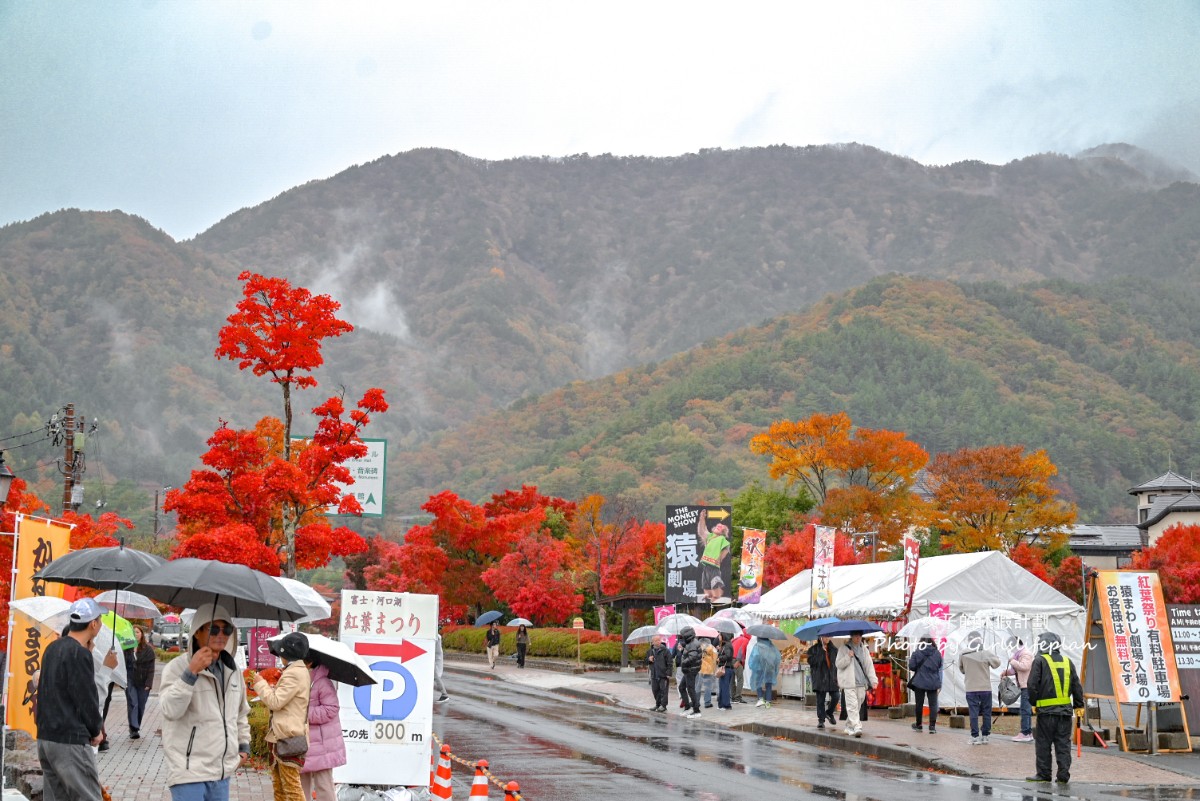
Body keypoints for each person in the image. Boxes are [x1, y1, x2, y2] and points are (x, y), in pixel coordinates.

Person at [159, 604, 251, 801]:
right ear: (197, 632)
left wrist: (244, 746)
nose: (221, 635)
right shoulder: (177, 668)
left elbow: (241, 713)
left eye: (226, 629)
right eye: (213, 629)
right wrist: (191, 672)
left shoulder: (233, 671)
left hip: (221, 773)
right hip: (189, 772)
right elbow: (169, 710)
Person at [36, 597, 106, 801]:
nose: (100, 625)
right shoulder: (79, 653)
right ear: (93, 624)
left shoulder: (52, 648)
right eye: (100, 620)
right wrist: (96, 729)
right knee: (88, 796)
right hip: (70, 740)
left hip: (46, 737)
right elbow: (86, 697)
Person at [251, 633, 311, 801]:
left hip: (288, 737)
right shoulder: (297, 671)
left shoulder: (294, 674)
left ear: (286, 654)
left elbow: (275, 702)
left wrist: (260, 683)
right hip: (283, 736)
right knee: (280, 786)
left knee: (291, 789)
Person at [1026, 632, 1084, 784]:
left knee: (1043, 744)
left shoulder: (1039, 661)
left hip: (1046, 713)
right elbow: (1076, 686)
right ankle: (1063, 775)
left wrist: (1033, 703)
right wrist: (1079, 705)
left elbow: (1032, 685)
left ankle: (1044, 774)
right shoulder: (1067, 661)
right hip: (1065, 713)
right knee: (1063, 744)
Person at [299, 650, 345, 801]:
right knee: (300, 787)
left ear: (309, 663)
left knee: (324, 787)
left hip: (322, 746)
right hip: (302, 742)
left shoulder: (322, 682)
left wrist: (303, 713)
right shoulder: (299, 679)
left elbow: (331, 709)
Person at [957, 630, 1001, 745]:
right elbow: (997, 664)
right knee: (986, 712)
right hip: (985, 688)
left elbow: (962, 669)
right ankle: (985, 736)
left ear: (968, 640)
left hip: (971, 688)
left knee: (973, 713)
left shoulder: (963, 654)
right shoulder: (985, 653)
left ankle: (975, 736)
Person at [836, 632, 877, 737]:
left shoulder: (864, 650)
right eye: (856, 636)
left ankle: (849, 726)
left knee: (857, 706)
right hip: (849, 682)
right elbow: (838, 664)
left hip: (861, 683)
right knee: (852, 706)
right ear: (852, 636)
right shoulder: (844, 648)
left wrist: (873, 680)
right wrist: (848, 657)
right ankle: (857, 726)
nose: (858, 638)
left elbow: (869, 666)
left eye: (860, 636)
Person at [907, 637, 943, 733]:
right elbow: (939, 665)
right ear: (932, 642)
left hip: (919, 681)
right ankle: (932, 726)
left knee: (919, 704)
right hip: (933, 681)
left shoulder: (917, 652)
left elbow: (911, 666)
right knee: (933, 704)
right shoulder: (937, 653)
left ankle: (919, 725)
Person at [696, 509, 731, 603]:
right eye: (717, 527)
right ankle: (709, 595)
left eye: (720, 528)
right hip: (706, 565)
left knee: (715, 584)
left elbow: (726, 549)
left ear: (723, 532)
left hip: (714, 566)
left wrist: (719, 558)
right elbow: (702, 530)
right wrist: (702, 518)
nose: (718, 527)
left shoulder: (722, 539)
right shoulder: (710, 536)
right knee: (706, 585)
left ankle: (717, 596)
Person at [129, 624, 157, 739]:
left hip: (143, 682)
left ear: (141, 634)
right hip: (130, 680)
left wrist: (149, 684)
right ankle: (133, 729)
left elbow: (151, 669)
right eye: (133, 632)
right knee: (133, 704)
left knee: (140, 706)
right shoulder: (127, 647)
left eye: (137, 632)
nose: (135, 634)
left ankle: (136, 726)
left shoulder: (148, 649)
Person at [807, 635, 839, 729]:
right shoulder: (813, 649)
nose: (827, 638)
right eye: (825, 636)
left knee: (836, 696)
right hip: (820, 677)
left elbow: (837, 664)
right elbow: (811, 662)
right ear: (820, 637)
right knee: (820, 700)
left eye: (828, 636)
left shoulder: (834, 649)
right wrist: (821, 652)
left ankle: (829, 712)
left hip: (832, 677)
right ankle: (821, 720)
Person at [1006, 638, 1035, 742]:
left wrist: (1012, 661)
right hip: (1024, 685)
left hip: (1027, 685)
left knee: (1025, 710)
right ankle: (1028, 733)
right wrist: (1006, 672)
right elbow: (1016, 670)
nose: (1010, 649)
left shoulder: (1025, 654)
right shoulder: (1019, 654)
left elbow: (1025, 666)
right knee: (1025, 709)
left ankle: (1025, 733)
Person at [675, 626, 704, 718]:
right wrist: (683, 650)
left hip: (691, 670)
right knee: (682, 687)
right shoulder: (691, 643)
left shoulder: (692, 644)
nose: (682, 637)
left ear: (687, 635)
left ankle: (696, 710)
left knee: (691, 690)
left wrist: (683, 662)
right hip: (689, 669)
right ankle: (687, 707)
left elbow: (692, 657)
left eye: (683, 636)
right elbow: (690, 654)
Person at [748, 637, 781, 709]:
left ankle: (760, 699)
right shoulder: (772, 646)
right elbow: (777, 657)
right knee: (768, 684)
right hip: (769, 668)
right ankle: (768, 702)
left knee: (758, 683)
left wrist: (752, 664)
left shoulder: (757, 646)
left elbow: (755, 656)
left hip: (759, 668)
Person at [648, 635, 672, 712]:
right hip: (654, 674)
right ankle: (658, 704)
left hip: (663, 674)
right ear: (652, 642)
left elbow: (670, 662)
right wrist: (649, 659)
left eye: (659, 640)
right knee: (655, 690)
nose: (658, 641)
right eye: (656, 640)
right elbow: (646, 661)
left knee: (663, 691)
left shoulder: (665, 650)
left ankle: (663, 706)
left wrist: (668, 673)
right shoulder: (650, 651)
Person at [730, 626, 750, 704]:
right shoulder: (745, 640)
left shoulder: (736, 639)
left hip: (730, 660)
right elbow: (741, 651)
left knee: (732, 679)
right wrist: (738, 661)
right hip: (737, 660)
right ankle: (738, 697)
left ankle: (733, 696)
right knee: (740, 679)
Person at [716, 632, 735, 710]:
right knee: (722, 687)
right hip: (724, 668)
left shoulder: (727, 645)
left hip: (727, 668)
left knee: (725, 687)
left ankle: (726, 705)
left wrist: (720, 658)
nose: (719, 636)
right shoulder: (724, 645)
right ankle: (721, 705)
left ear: (724, 636)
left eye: (720, 635)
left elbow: (728, 656)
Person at [698, 637, 718, 708]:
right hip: (708, 670)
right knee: (708, 687)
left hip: (699, 668)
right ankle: (707, 703)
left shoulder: (698, 647)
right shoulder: (712, 647)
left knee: (698, 686)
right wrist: (714, 669)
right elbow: (715, 658)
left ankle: (696, 702)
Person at [434, 633, 450, 703]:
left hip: (434, 659)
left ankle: (444, 694)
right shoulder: (436, 636)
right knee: (435, 676)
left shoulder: (435, 636)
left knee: (435, 676)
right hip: (435, 658)